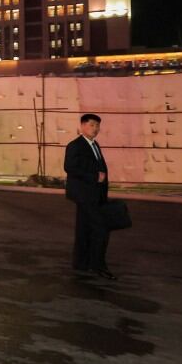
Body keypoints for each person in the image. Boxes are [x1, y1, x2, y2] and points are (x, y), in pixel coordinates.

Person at [65, 113, 114, 280]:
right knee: (101, 228)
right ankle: (98, 265)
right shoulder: (75, 145)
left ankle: (81, 263)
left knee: (84, 229)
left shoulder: (95, 145)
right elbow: (70, 167)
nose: (96, 129)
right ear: (82, 126)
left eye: (97, 126)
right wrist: (94, 176)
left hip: (94, 195)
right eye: (92, 125)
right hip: (84, 195)